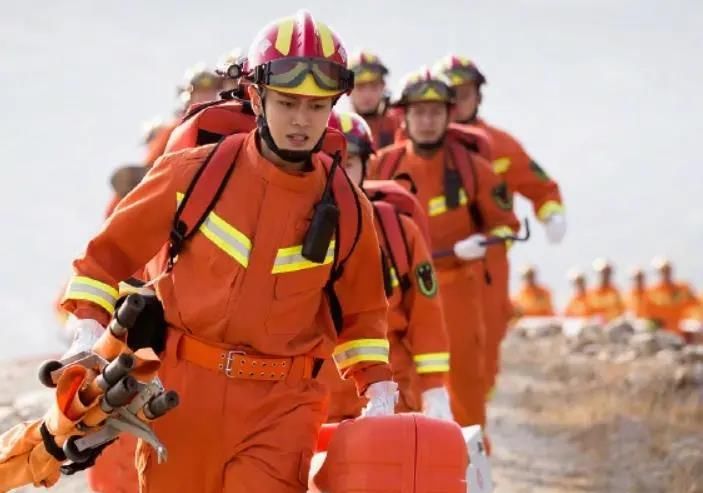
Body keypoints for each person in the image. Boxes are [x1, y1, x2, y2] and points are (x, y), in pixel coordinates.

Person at [60, 11, 395, 492]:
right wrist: (88, 327)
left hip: (283, 408)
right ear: (257, 97)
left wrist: (377, 385)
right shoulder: (191, 174)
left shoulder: (348, 207)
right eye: (287, 102)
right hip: (180, 396)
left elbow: (364, 315)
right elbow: (105, 257)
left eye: (317, 106)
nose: (301, 120)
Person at [372, 69, 519, 440]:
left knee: (466, 388)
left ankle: (471, 472)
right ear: (403, 116)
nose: (427, 121)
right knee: (399, 385)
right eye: (419, 112)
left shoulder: (473, 169)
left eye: (435, 113)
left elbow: (507, 227)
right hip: (399, 294)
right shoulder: (382, 165)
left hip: (458, 290)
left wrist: (481, 245)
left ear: (449, 115)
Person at [433, 54, 565, 395]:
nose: (459, 99)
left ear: (479, 96)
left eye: (466, 91)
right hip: (438, 264)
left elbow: (540, 185)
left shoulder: (499, 145)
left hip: (489, 268)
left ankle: (474, 428)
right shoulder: (420, 148)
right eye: (452, 91)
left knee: (485, 346)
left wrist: (551, 212)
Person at [319, 111, 452, 422]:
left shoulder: (398, 231)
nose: (338, 173)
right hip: (310, 394)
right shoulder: (285, 226)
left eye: (348, 162)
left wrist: (434, 388)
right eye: (328, 160)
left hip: (389, 391)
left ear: (367, 166)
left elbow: (426, 314)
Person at [348, 51, 401, 148]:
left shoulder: (399, 125)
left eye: (374, 86)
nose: (367, 94)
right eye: (360, 87)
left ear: (383, 87)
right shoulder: (335, 129)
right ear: (347, 90)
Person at [645, 257, 700, 335]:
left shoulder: (683, 287)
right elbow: (648, 314)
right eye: (663, 270)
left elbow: (696, 305)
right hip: (662, 330)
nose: (666, 273)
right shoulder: (651, 291)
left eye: (668, 270)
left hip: (682, 328)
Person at [587, 258, 624, 322]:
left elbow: (622, 311)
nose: (605, 275)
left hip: (613, 325)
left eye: (607, 272)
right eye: (603, 272)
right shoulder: (590, 293)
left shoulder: (616, 291)